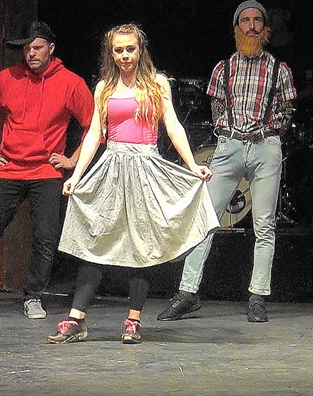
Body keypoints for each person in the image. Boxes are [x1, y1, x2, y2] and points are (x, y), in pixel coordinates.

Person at [45, 23, 217, 345]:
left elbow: (172, 125)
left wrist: (193, 165)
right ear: (110, 53)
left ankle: (133, 320)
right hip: (111, 168)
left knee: (141, 246)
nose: (125, 55)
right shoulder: (104, 87)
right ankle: (76, 318)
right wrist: (77, 176)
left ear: (140, 50)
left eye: (130, 49)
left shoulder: (156, 83)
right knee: (96, 241)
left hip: (145, 167)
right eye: (118, 50)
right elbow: (94, 133)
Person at [156, 0, 297, 324]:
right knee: (206, 219)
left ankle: (257, 296)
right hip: (230, 146)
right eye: (245, 20)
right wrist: (226, 132)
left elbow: (286, 111)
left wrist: (269, 131)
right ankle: (187, 293)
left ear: (265, 27)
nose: (251, 26)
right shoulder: (224, 68)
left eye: (257, 20)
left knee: (264, 225)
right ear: (237, 27)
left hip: (264, 147)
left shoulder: (279, 69)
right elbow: (217, 109)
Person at [0, 21, 93, 320]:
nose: (31, 53)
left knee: (45, 237)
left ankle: (34, 296)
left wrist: (72, 160)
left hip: (46, 172)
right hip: (9, 169)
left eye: (37, 47)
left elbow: (94, 128)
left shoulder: (70, 82)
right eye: (27, 48)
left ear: (51, 49)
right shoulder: (8, 78)